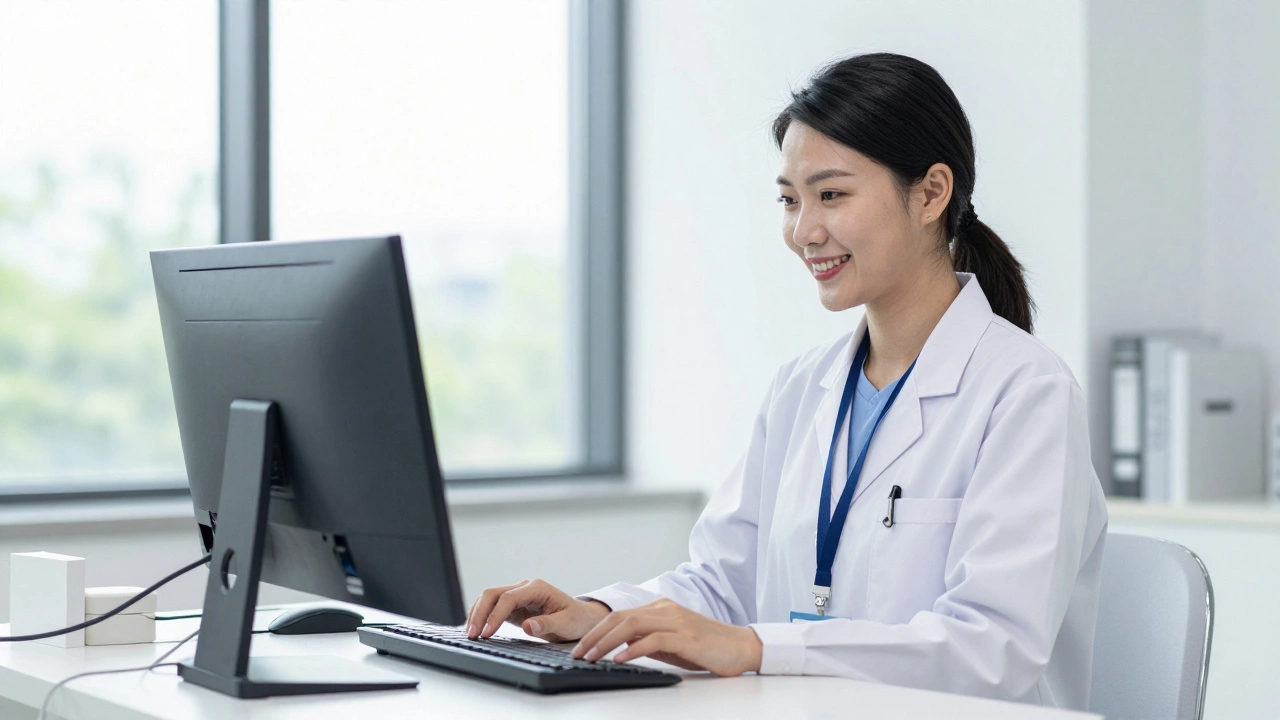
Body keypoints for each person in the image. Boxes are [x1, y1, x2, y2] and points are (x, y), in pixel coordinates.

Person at [465, 52, 1108, 710]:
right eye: (789, 200)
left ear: (931, 194)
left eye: (831, 195)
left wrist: (759, 648)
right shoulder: (803, 388)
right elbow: (722, 583)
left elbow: (990, 648)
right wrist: (597, 613)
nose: (804, 231)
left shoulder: (1026, 392)